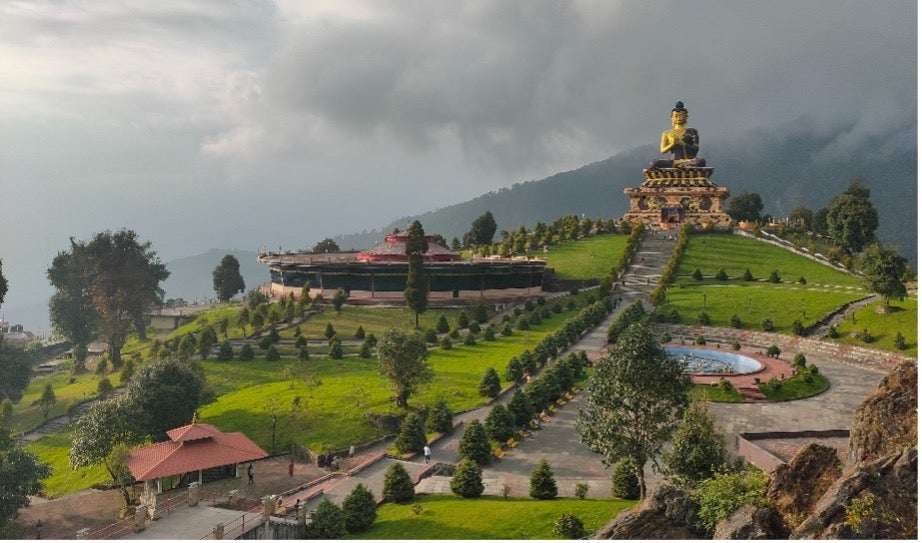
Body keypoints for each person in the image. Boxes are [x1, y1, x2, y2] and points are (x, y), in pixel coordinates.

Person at [649, 101, 706, 169]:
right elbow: (662, 150)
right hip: (673, 161)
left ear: (686, 117)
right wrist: (672, 144)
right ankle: (684, 168)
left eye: (681, 115)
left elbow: (696, 149)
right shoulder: (667, 133)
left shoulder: (692, 132)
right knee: (654, 163)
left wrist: (682, 143)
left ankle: (686, 167)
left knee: (700, 162)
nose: (679, 118)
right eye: (676, 116)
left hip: (688, 161)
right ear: (672, 118)